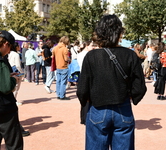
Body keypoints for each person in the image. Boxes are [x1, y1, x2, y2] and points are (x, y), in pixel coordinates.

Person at [77, 14, 147, 150]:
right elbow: (139, 86)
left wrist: (85, 101)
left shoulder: (91, 56)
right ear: (119, 33)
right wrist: (132, 96)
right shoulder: (130, 54)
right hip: (123, 106)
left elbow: (82, 89)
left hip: (98, 107)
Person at [52, 36, 71, 100]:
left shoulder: (55, 48)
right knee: (63, 82)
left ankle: (58, 94)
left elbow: (53, 56)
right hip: (64, 66)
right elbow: (66, 59)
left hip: (58, 66)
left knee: (58, 81)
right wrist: (69, 59)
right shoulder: (64, 49)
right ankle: (62, 96)